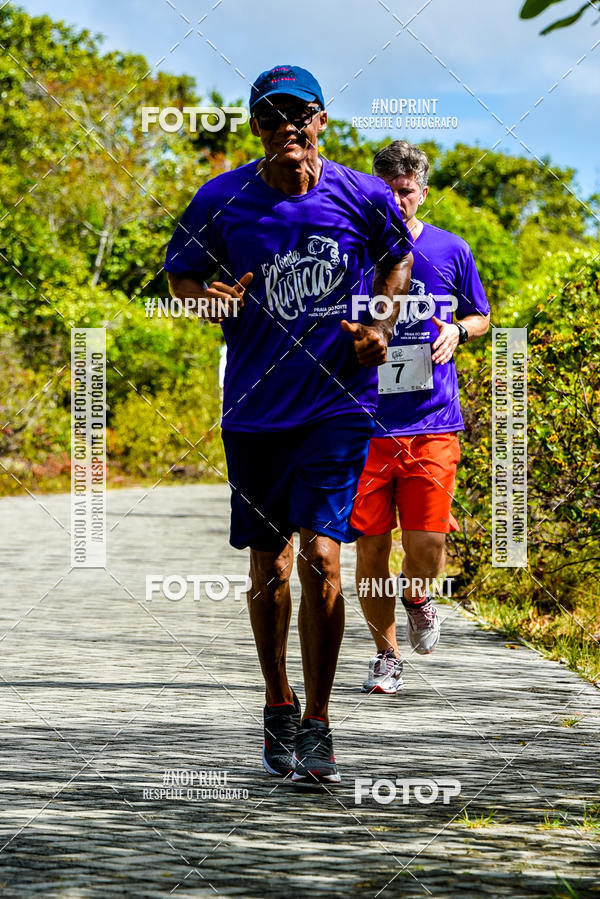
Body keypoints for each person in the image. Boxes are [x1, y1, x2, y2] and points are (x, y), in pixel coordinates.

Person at [164, 66, 413, 783]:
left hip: (338, 403)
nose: (287, 129)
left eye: (299, 115)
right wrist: (205, 301)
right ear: (256, 129)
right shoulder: (222, 199)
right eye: (271, 119)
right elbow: (180, 278)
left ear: (323, 120)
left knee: (323, 557)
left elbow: (396, 257)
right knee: (270, 566)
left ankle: (319, 722)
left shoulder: (363, 195)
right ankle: (277, 699)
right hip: (254, 412)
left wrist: (381, 322)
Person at [351, 140, 490, 694]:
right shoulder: (354, 250)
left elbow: (479, 315)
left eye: (405, 191)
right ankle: (386, 656)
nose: (396, 200)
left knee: (427, 543)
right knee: (371, 548)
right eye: (386, 190)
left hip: (433, 422)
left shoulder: (451, 249)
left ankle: (418, 596)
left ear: (423, 193)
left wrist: (458, 329)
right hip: (363, 422)